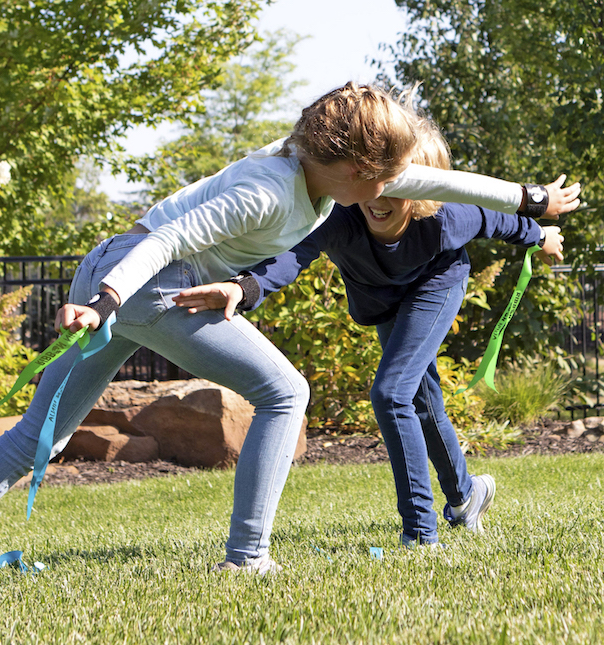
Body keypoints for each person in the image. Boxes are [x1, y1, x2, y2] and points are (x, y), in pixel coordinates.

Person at [0, 83, 578, 572]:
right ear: (358, 168)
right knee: (286, 393)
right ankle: (248, 558)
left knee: (36, 435)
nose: (394, 186)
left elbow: (440, 181)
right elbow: (168, 238)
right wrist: (108, 299)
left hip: (109, 266)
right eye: (385, 175)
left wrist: (530, 200)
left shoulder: (325, 170)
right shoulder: (269, 192)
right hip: (142, 282)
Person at [171, 120, 579, 548]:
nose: (380, 200)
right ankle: (465, 496)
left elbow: (497, 219)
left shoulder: (449, 217)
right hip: (382, 298)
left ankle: (421, 534)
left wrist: (542, 235)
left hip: (435, 285)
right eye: (375, 186)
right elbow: (292, 257)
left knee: (392, 392)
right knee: (421, 398)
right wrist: (243, 286)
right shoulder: (342, 216)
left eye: (398, 188)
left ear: (426, 194)